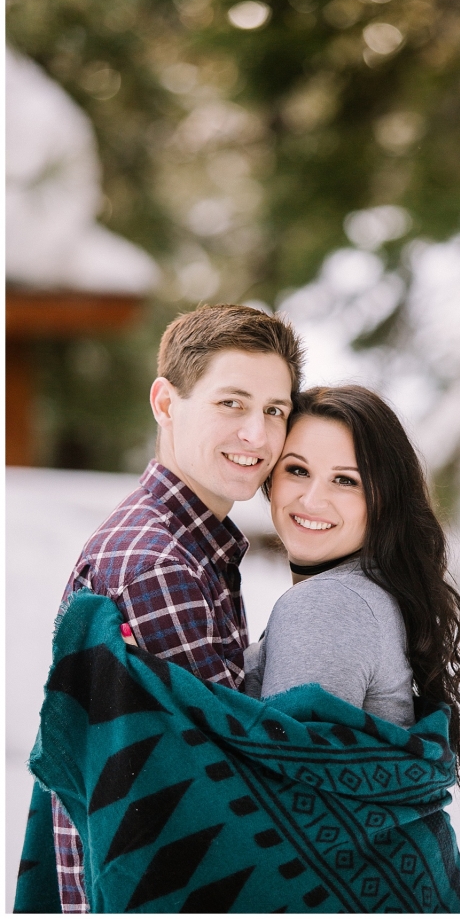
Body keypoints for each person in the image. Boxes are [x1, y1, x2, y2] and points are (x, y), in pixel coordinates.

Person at [51, 303, 304, 912]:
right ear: (166, 403)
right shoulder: (160, 564)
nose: (259, 436)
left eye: (275, 411)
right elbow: (227, 788)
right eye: (232, 403)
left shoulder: (182, 544)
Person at [245, 385, 460, 807]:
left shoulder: (329, 604)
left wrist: (143, 678)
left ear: (383, 502)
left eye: (345, 480)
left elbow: (284, 797)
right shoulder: (368, 590)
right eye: (298, 470)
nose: (312, 499)